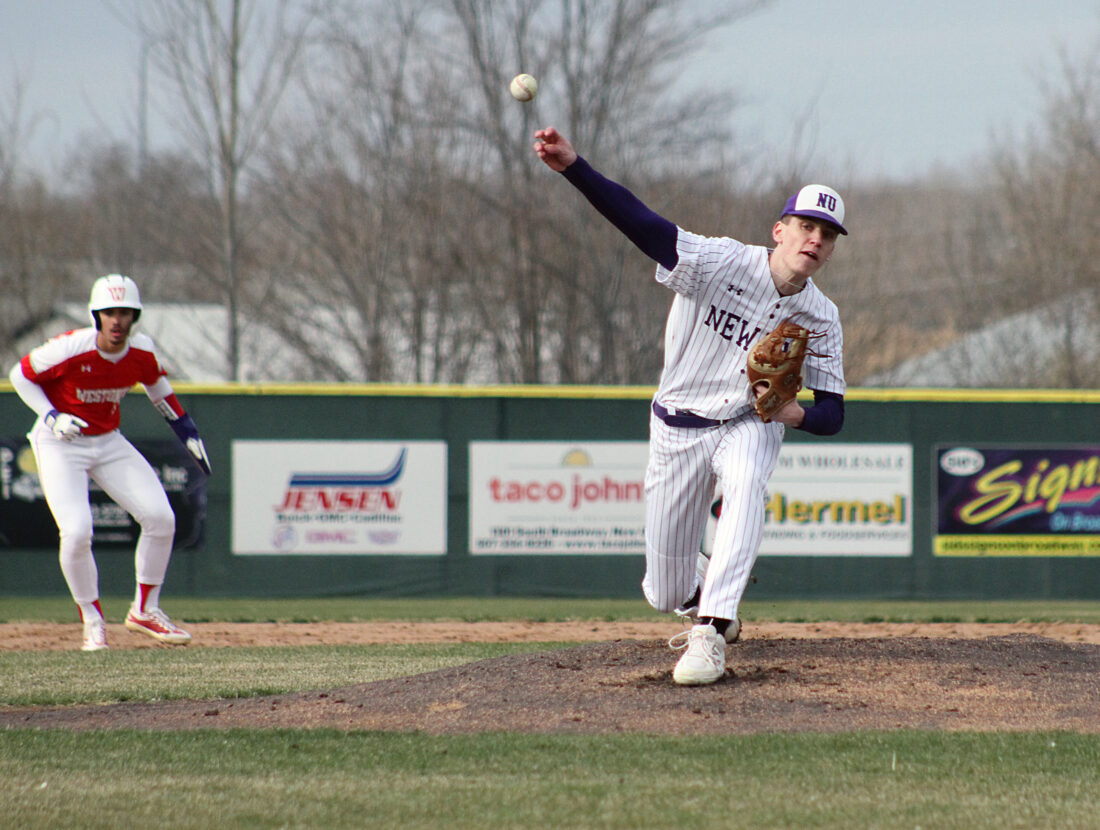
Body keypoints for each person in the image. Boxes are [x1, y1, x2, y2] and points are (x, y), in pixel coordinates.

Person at [533, 127, 847, 685]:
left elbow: (833, 414)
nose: (815, 239)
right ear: (779, 230)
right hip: (677, 428)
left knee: (747, 484)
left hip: (747, 423)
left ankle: (711, 631)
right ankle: (697, 595)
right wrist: (575, 167)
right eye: (806, 226)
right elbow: (642, 224)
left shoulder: (822, 317)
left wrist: (790, 413)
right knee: (663, 592)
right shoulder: (720, 261)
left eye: (827, 234)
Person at [8, 274, 212, 651]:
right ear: (96, 315)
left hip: (106, 439)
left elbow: (160, 393)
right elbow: (20, 375)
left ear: (135, 317)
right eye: (109, 312)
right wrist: (52, 416)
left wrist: (188, 431)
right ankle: (93, 621)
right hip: (60, 441)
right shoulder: (72, 346)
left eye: (125, 312)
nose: (117, 320)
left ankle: (145, 610)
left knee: (161, 518)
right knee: (77, 532)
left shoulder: (142, 351)